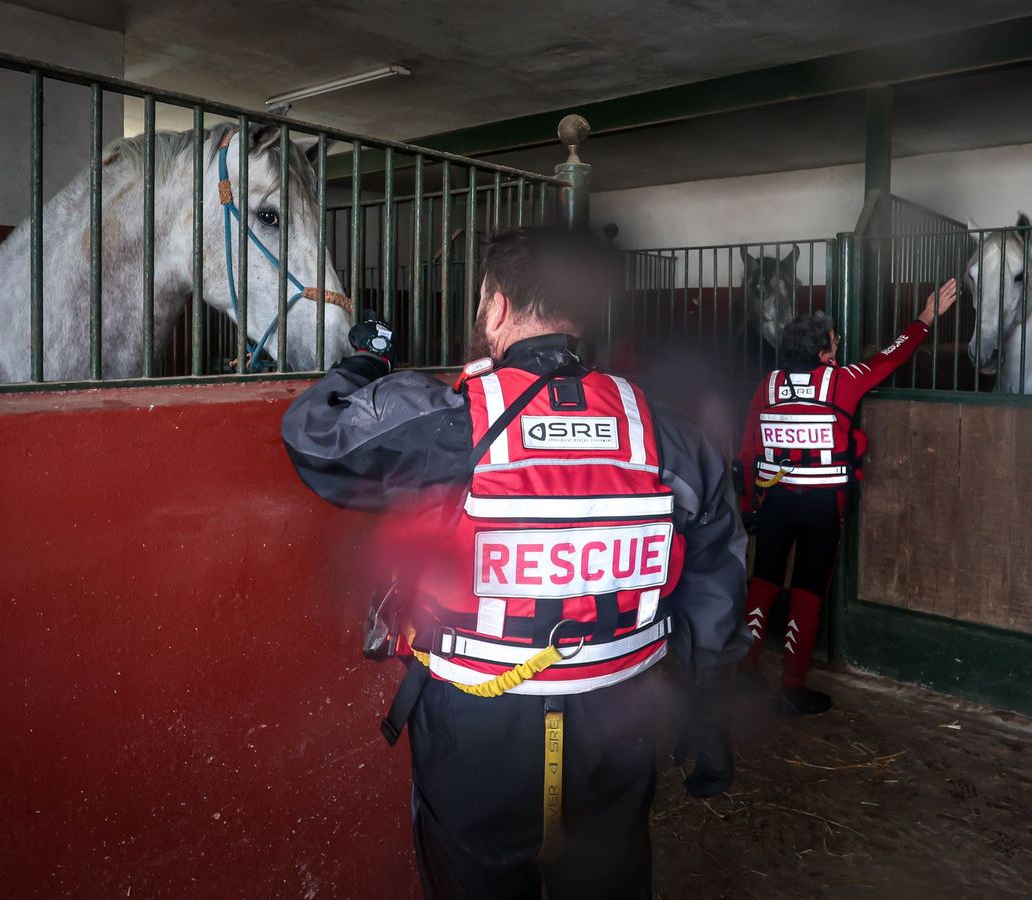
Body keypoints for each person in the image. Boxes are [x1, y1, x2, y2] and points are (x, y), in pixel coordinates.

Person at [281, 227, 749, 899]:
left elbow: (315, 435)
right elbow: (716, 568)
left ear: (496, 307)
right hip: (617, 721)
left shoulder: (454, 420)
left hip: (476, 727)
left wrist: (366, 361)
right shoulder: (662, 430)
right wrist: (708, 704)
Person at [736, 280, 959, 715]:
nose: (838, 346)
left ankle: (744, 672)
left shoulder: (767, 385)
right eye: (834, 342)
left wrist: (748, 507)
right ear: (823, 353)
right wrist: (925, 319)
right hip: (822, 508)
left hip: (774, 504)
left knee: (762, 586)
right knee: (807, 593)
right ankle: (792, 686)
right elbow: (891, 357)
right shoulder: (842, 381)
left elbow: (747, 451)